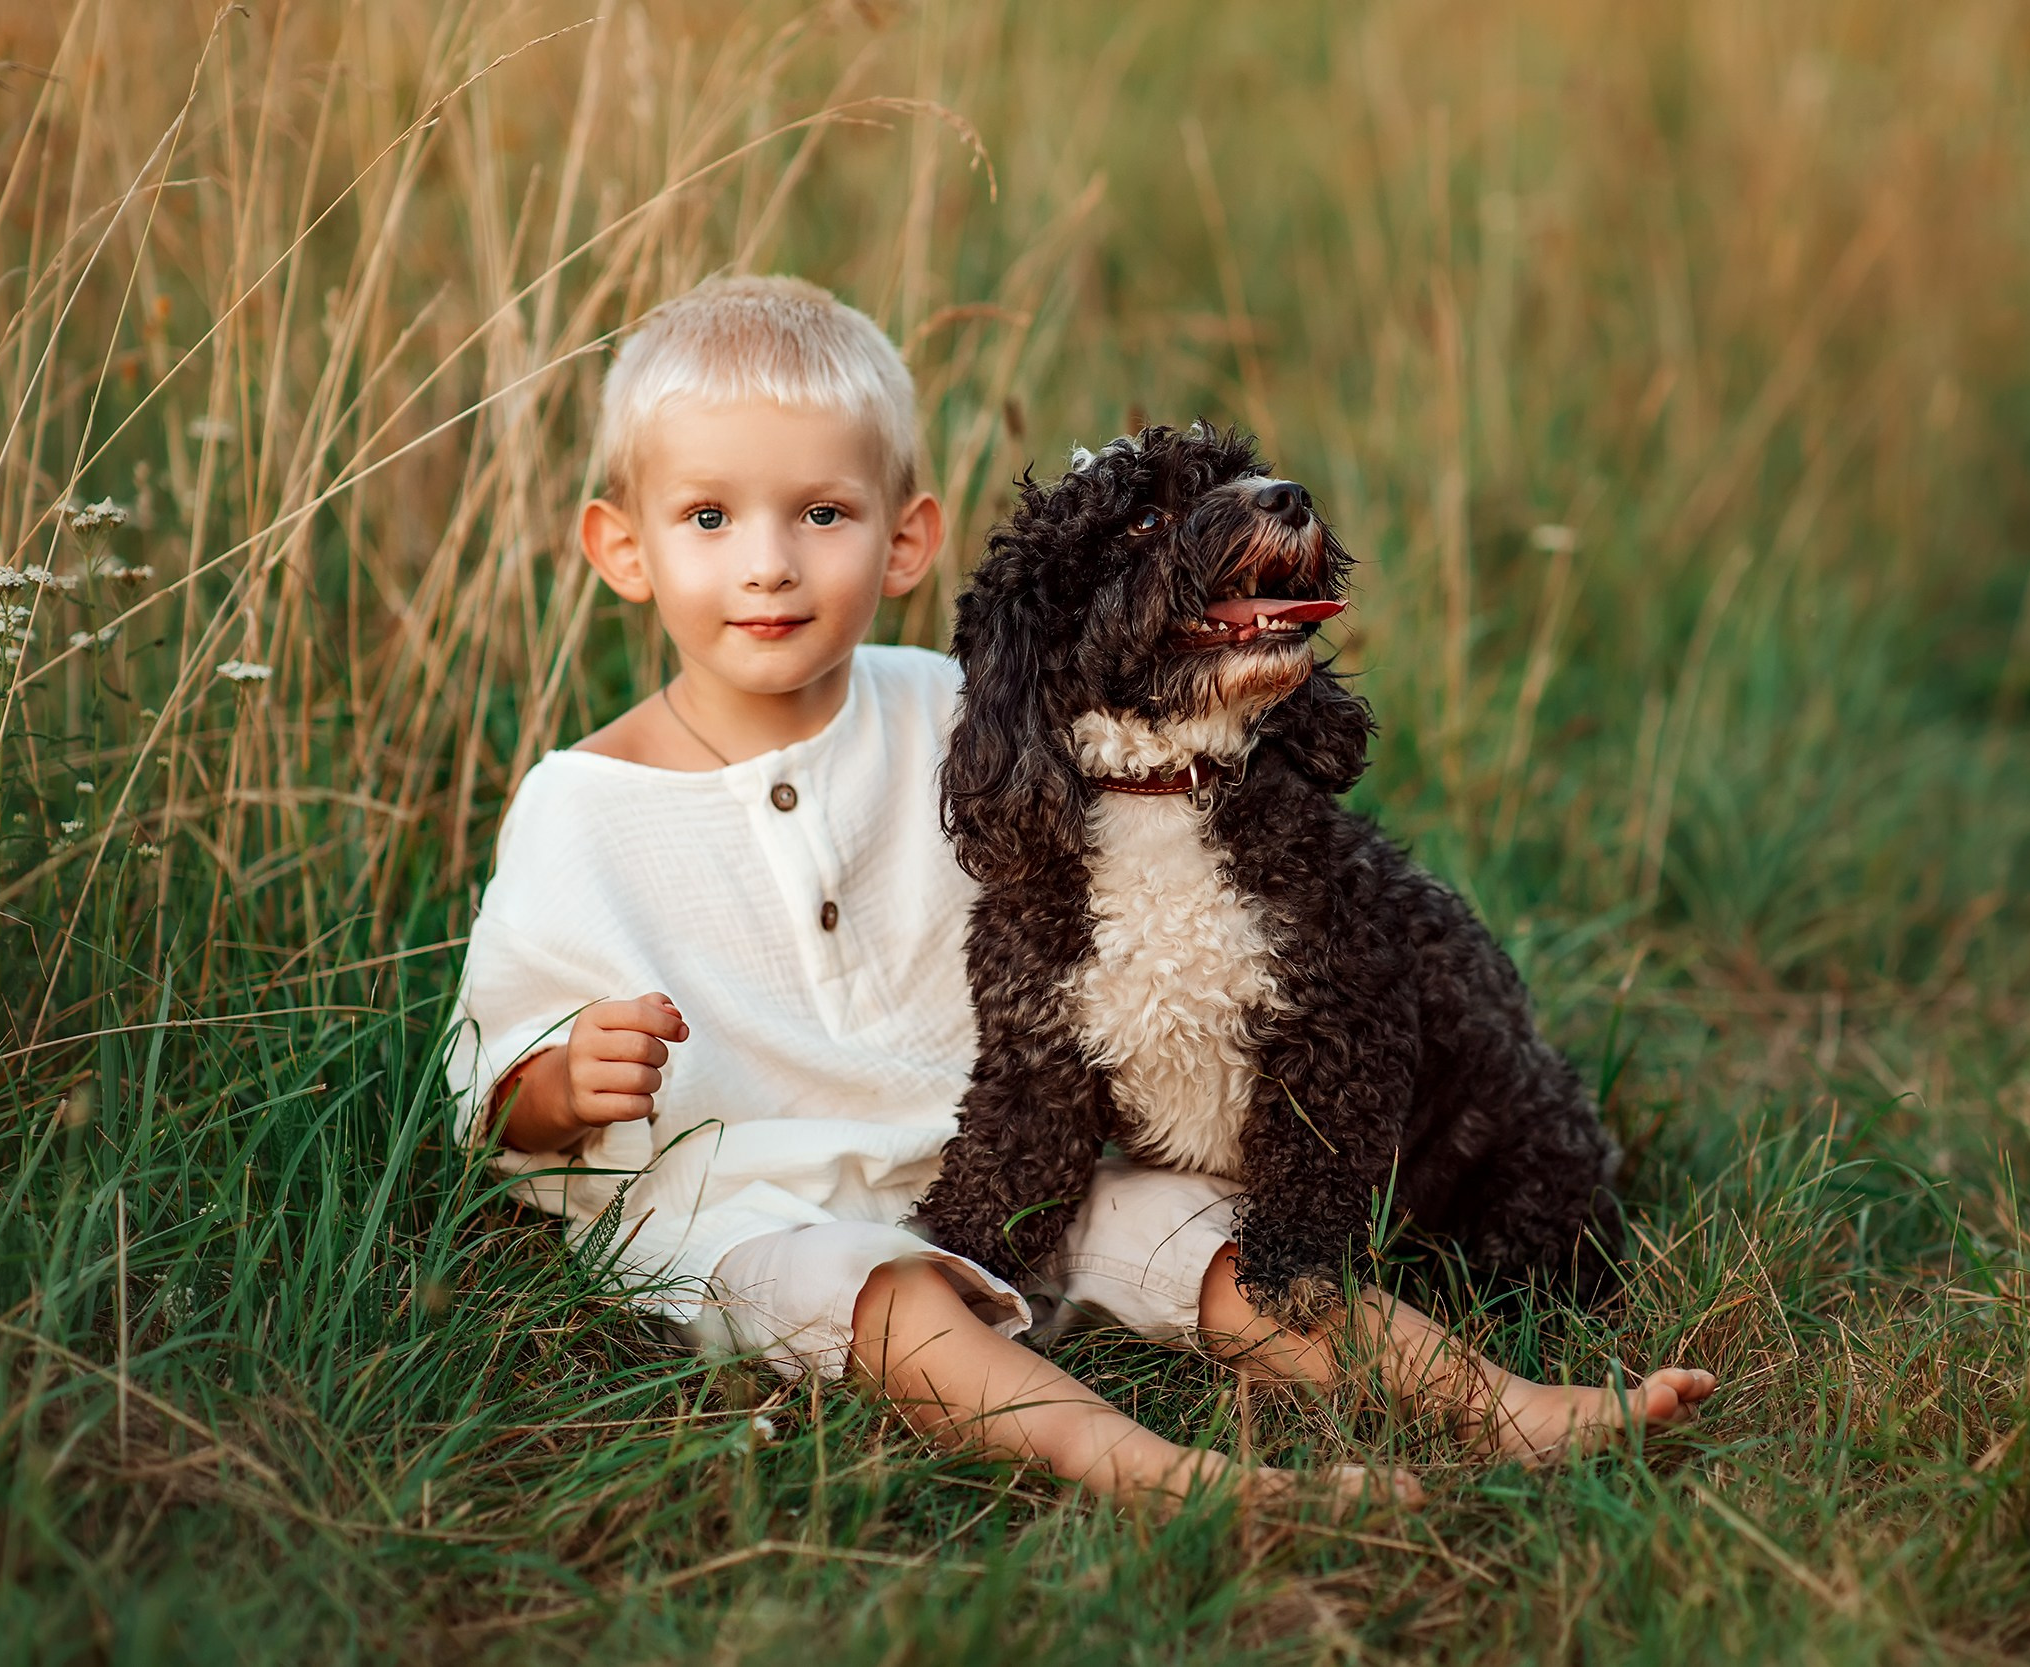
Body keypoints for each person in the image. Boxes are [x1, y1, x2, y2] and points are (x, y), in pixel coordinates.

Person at [446, 274, 1714, 1508]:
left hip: (991, 1170)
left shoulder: (953, 709)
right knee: (887, 1293)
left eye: (820, 514)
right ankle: (1160, 1471)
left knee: (1207, 1237)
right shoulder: (583, 803)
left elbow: (1162, 760)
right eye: (710, 518)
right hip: (746, 1212)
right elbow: (497, 1064)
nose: (770, 564)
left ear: (905, 541)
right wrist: (561, 1083)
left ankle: (1506, 1402)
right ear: (622, 548)